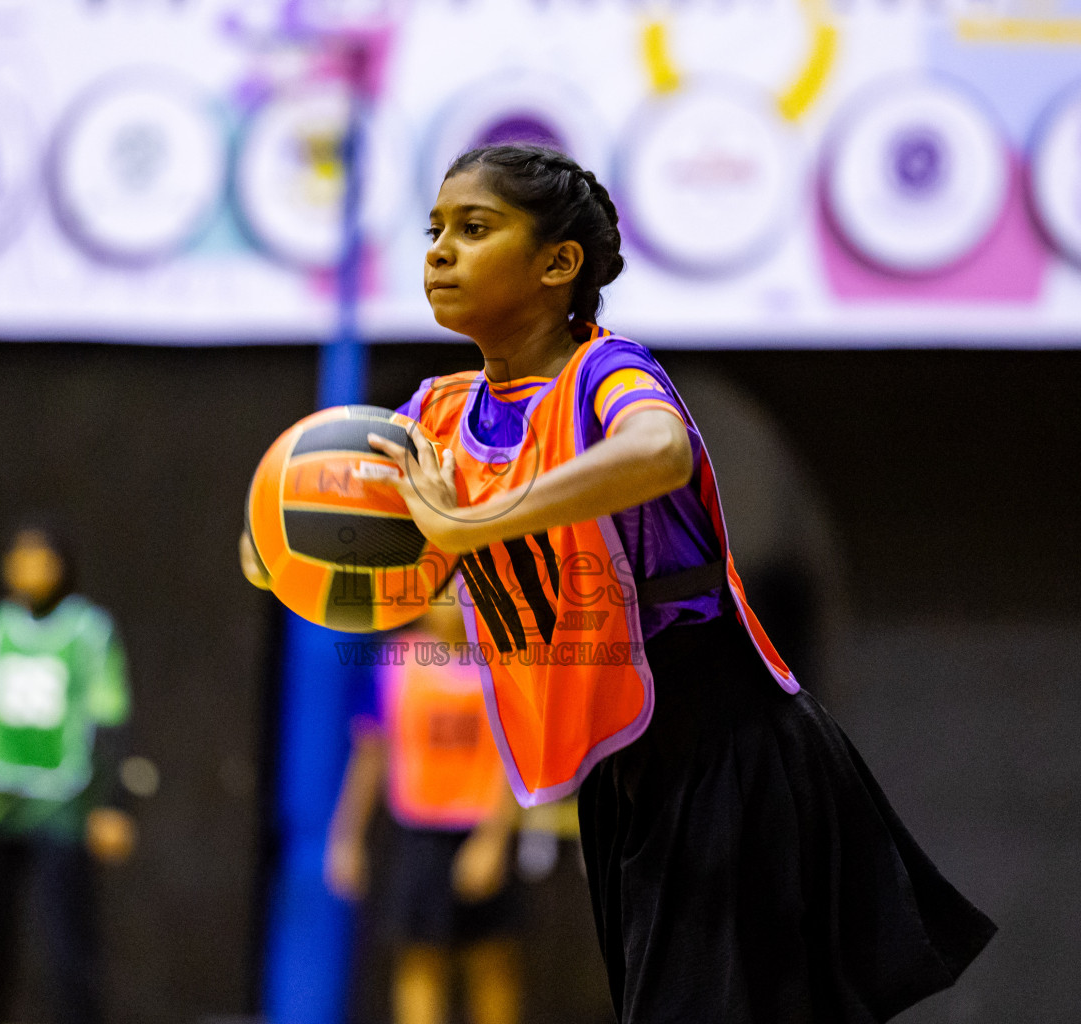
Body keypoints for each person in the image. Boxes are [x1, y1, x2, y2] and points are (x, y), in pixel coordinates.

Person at [344, 143, 999, 1022]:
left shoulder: (607, 373)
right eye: (435, 231)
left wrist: (479, 522)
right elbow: (359, 525)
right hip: (626, 773)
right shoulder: (441, 412)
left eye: (474, 227)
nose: (438, 251)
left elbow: (660, 450)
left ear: (558, 264)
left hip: (730, 751)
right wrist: (290, 545)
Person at [0, 523, 135, 1024]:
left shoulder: (88, 630)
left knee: (68, 944)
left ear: (63, 564)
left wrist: (114, 802)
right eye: (20, 555)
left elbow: (111, 718)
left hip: (63, 803)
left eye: (41, 556)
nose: (30, 567)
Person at [325, 602, 523, 1024]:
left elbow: (517, 759)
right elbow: (369, 754)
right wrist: (346, 839)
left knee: (490, 960)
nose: (452, 603)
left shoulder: (504, 662)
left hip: (480, 830)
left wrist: (494, 839)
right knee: (418, 957)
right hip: (417, 835)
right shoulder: (396, 662)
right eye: (442, 591)